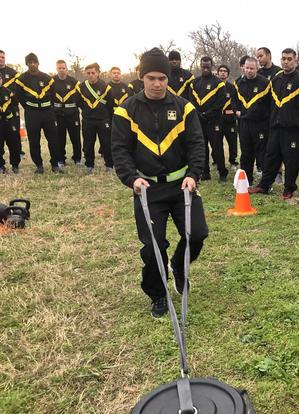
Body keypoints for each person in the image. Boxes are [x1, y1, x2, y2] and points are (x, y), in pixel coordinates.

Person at [111, 48, 208, 318]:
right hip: (148, 189)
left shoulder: (184, 108)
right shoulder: (125, 111)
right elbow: (119, 150)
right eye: (151, 77)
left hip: (182, 186)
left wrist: (193, 174)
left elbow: (197, 144)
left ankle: (179, 265)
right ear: (142, 77)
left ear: (168, 79)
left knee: (197, 234)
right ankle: (158, 293)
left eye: (162, 78)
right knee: (154, 246)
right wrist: (132, 179)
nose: (157, 84)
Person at [249, 48, 299, 199]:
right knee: (271, 156)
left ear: (295, 60)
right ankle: (264, 185)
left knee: (291, 159)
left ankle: (289, 188)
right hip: (275, 127)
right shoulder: (276, 79)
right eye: (283, 58)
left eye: (289, 59)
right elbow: (266, 101)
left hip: (292, 129)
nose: (286, 62)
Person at [14, 53, 62, 173]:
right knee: (34, 140)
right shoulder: (21, 79)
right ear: (27, 64)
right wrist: (30, 107)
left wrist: (48, 108)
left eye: (34, 62)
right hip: (32, 113)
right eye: (30, 62)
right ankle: (39, 165)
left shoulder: (47, 78)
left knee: (53, 139)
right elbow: (19, 97)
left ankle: (55, 164)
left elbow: (53, 95)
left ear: (38, 63)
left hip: (47, 112)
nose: (32, 64)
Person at [232, 57, 271, 185]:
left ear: (257, 68)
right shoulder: (237, 82)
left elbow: (269, 104)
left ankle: (265, 183)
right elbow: (234, 100)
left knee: (262, 153)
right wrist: (237, 111)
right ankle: (246, 180)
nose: (249, 71)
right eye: (247, 68)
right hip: (244, 123)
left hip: (260, 124)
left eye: (252, 68)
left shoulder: (265, 83)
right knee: (246, 153)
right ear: (243, 67)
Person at [189, 56, 228, 182]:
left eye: (208, 66)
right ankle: (205, 172)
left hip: (214, 121)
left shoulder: (219, 83)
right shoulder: (194, 83)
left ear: (212, 66)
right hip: (199, 121)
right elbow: (191, 100)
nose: (205, 68)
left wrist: (207, 114)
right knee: (202, 147)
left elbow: (220, 102)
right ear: (200, 66)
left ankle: (222, 173)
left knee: (217, 147)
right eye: (203, 66)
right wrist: (199, 114)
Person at [77, 62, 115, 173]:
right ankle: (89, 165)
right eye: (88, 73)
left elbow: (110, 103)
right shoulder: (81, 87)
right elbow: (78, 102)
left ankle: (109, 165)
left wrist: (105, 116)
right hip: (88, 120)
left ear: (98, 73)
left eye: (93, 73)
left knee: (106, 143)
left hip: (103, 120)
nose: (90, 75)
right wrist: (87, 110)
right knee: (88, 143)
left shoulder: (106, 87)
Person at [53, 59, 81, 166]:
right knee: (60, 138)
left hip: (72, 114)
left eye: (63, 68)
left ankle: (77, 158)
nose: (61, 70)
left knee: (76, 137)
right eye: (59, 68)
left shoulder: (74, 82)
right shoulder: (52, 81)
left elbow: (79, 98)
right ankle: (61, 159)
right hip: (58, 114)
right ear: (56, 69)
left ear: (67, 69)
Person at [0, 50, 23, 163]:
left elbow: (18, 90)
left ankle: (18, 155)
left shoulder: (13, 73)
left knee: (14, 134)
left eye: (3, 57)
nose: (1, 59)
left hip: (12, 109)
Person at [217, 64, 239, 169]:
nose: (222, 72)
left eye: (225, 71)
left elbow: (235, 102)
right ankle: (217, 161)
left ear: (228, 74)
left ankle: (233, 162)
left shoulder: (232, 87)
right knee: (216, 143)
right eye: (220, 71)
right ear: (217, 73)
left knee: (233, 142)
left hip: (230, 120)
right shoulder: (214, 86)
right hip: (216, 120)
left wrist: (233, 112)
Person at [0, 75, 21, 173]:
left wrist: (14, 121)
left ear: (1, 80)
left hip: (9, 122)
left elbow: (15, 106)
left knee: (14, 144)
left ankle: (15, 165)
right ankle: (1, 166)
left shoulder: (8, 92)